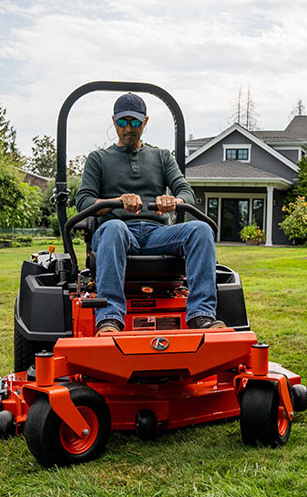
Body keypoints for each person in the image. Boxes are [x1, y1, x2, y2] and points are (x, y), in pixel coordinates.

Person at [76, 92, 225, 335]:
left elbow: (186, 192)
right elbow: (83, 203)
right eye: (123, 122)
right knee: (114, 228)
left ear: (145, 122)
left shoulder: (161, 156)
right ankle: (110, 319)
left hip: (157, 234)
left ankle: (202, 315)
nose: (128, 129)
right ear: (113, 121)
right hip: (117, 233)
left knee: (201, 228)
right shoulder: (98, 159)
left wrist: (173, 201)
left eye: (135, 123)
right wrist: (116, 202)